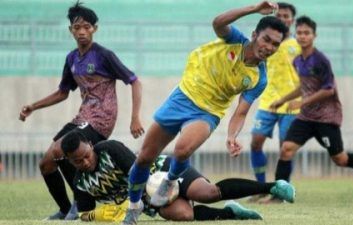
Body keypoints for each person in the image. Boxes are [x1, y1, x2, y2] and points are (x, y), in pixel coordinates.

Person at [124, 2, 288, 224]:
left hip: (208, 112)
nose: (269, 47)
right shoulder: (235, 40)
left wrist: (232, 135)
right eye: (266, 39)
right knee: (144, 157)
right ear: (255, 35)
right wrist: (254, 8)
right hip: (182, 97)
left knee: (182, 151)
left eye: (275, 44)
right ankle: (134, 206)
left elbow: (241, 112)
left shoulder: (260, 78)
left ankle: (170, 180)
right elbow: (218, 22)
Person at [18, 1, 144, 220]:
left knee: (60, 151)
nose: (82, 32)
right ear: (70, 30)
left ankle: (79, 201)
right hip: (82, 117)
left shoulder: (104, 55)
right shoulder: (72, 59)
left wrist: (135, 118)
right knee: (46, 163)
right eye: (77, 28)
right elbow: (63, 92)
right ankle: (67, 209)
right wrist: (34, 106)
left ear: (95, 28)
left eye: (87, 27)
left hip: (101, 118)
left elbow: (135, 81)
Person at [60, 131, 295, 222]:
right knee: (183, 214)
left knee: (208, 193)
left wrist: (130, 204)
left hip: (163, 171)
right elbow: (85, 214)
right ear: (70, 161)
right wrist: (104, 215)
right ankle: (230, 212)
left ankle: (272, 187)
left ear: (91, 145)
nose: (85, 162)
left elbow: (138, 172)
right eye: (77, 161)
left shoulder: (109, 149)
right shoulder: (80, 183)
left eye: (87, 155)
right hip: (149, 200)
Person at [270, 16, 353, 192]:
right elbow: (304, 86)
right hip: (306, 117)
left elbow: (328, 89)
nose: (302, 36)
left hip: (326, 118)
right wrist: (282, 100)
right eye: (299, 32)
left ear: (314, 35)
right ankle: (278, 193)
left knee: (340, 159)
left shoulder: (321, 60)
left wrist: (302, 102)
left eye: (306, 33)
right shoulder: (298, 61)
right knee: (286, 149)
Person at [248, 2, 300, 202]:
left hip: (292, 106)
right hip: (268, 103)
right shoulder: (266, 44)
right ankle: (261, 187)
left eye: (287, 16)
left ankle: (280, 192)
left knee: (285, 149)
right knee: (255, 143)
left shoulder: (298, 46)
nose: (283, 18)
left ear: (292, 20)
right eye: (280, 15)